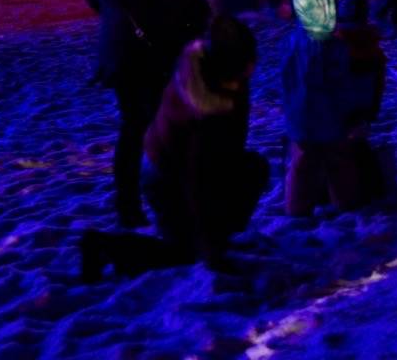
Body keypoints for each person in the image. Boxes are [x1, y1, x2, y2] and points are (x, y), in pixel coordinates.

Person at [71, 0, 211, 227]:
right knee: (168, 125)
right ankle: (172, 204)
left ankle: (128, 205)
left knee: (132, 126)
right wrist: (197, 14)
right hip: (155, 45)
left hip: (117, 46)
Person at [80, 16, 265, 280]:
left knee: (253, 169)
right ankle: (104, 247)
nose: (250, 68)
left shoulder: (220, 75)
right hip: (166, 175)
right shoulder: (202, 106)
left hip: (190, 165)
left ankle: (213, 237)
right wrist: (208, 246)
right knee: (183, 253)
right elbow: (195, 178)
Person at [282, 0, 373, 216]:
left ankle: (297, 209)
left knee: (302, 165)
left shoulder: (294, 41)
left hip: (301, 116)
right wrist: (350, 112)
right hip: (330, 118)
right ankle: (347, 204)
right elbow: (338, 84)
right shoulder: (333, 47)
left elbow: (286, 79)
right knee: (339, 162)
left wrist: (291, 108)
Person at [334, 0, 389, 204]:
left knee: (345, 147)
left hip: (344, 104)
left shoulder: (340, 45)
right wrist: (375, 104)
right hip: (365, 104)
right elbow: (379, 80)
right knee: (359, 141)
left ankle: (357, 187)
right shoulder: (373, 45)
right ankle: (370, 184)